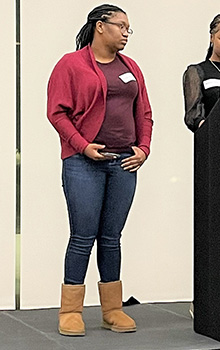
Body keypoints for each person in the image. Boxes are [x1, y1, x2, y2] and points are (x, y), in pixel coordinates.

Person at [47, 4, 153, 336]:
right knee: (82, 236)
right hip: (83, 163)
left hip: (124, 163)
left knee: (111, 238)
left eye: (128, 28)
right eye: (120, 26)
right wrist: (82, 145)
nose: (125, 33)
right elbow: (57, 113)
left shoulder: (131, 67)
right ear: (100, 27)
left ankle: (112, 310)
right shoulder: (71, 64)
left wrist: (144, 148)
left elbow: (145, 113)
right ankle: (71, 310)